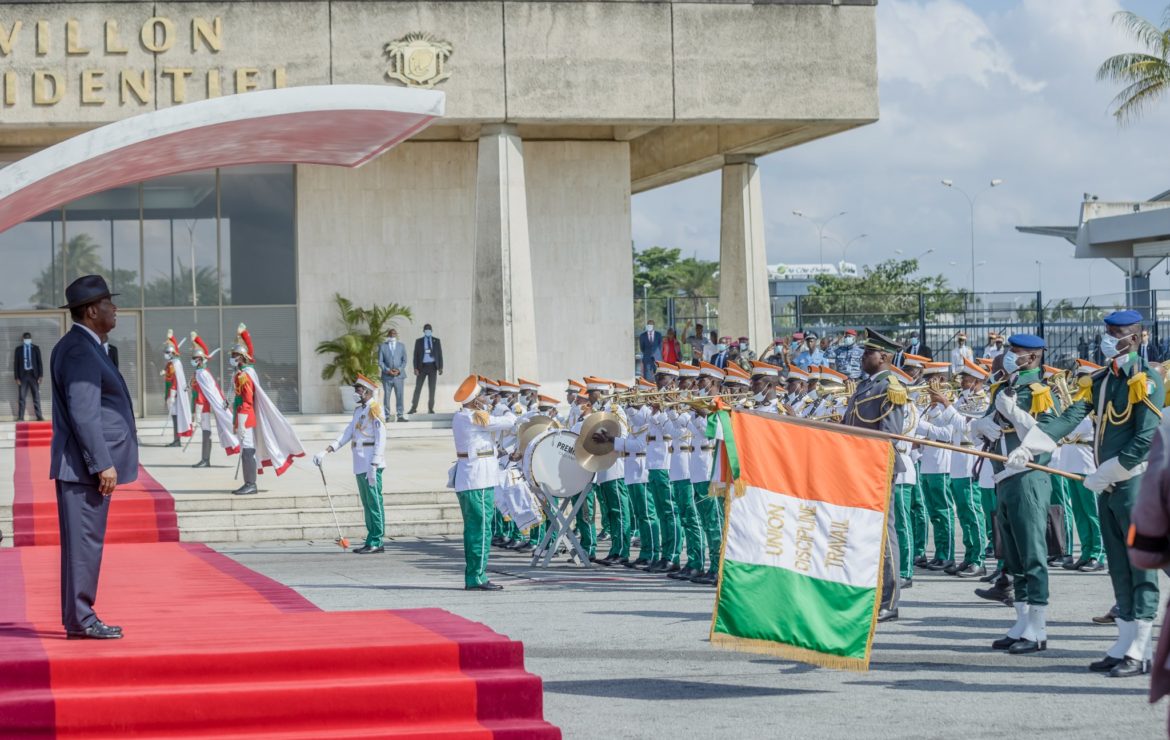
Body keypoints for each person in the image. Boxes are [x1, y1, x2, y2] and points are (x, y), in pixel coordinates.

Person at [1021, 311, 1164, 676]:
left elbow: (1147, 437)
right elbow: (1070, 416)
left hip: (1134, 485)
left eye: (1116, 333)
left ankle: (1141, 647)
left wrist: (1112, 470)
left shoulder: (1144, 380)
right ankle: (1124, 638)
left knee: (1140, 568)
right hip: (1109, 485)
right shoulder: (1101, 380)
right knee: (1117, 564)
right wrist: (1031, 444)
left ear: (1135, 339)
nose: (1107, 338)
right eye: (1107, 331)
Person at [50, 275, 136, 640]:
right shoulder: (79, 350)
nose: (115, 309)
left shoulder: (86, 346)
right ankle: (82, 620)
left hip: (80, 466)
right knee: (85, 546)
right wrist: (102, 462)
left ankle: (78, 617)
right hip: (84, 467)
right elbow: (84, 412)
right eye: (108, 303)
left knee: (82, 547)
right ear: (90, 311)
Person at [969, 333, 1059, 656]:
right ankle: (1022, 621)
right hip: (1003, 477)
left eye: (1016, 352)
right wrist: (979, 427)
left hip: (1028, 478)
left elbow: (1048, 436)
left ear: (1032, 358)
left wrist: (1015, 414)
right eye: (1009, 350)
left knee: (1033, 553)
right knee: (1013, 555)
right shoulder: (1003, 387)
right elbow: (989, 425)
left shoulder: (1039, 391)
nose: (1009, 356)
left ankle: (1038, 626)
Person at [841, 328, 908, 623]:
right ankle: (869, 595)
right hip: (857, 468)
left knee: (883, 534)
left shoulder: (890, 386)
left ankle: (889, 600)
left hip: (876, 468)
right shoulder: (864, 386)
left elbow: (890, 435)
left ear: (883, 357)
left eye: (868, 352)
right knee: (863, 535)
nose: (863, 356)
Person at [451, 374, 516, 590]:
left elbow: (485, 445)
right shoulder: (472, 417)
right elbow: (510, 422)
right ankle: (477, 576)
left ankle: (475, 575)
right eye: (481, 396)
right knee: (481, 529)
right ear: (474, 400)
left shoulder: (468, 417)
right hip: (477, 480)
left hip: (477, 477)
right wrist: (505, 406)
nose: (485, 399)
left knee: (476, 529)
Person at [315, 374, 387, 554]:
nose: (356, 392)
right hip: (360, 461)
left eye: (359, 389)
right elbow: (348, 433)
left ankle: (377, 540)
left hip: (371, 461)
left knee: (374, 502)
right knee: (366, 502)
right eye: (356, 389)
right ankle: (371, 538)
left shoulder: (375, 409)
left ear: (368, 392)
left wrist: (375, 462)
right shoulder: (358, 411)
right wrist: (327, 450)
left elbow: (381, 438)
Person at [229, 324, 304, 494]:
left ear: (241, 357)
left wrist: (240, 421)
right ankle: (248, 482)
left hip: (245, 416)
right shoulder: (241, 373)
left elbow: (247, 400)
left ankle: (251, 484)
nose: (232, 358)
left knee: (248, 449)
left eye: (235, 355)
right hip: (243, 415)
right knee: (246, 448)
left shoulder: (244, 375)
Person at [188, 332, 239, 468]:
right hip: (202, 405)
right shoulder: (199, 373)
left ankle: (205, 459)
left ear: (200, 360)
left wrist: (198, 410)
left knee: (206, 430)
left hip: (204, 406)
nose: (192, 360)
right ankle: (205, 459)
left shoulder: (202, 374)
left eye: (195, 358)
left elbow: (204, 393)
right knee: (206, 431)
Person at [161, 330, 193, 448]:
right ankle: (176, 439)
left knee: (175, 416)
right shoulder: (171, 363)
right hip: (169, 391)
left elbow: (175, 380)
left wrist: (173, 395)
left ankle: (177, 439)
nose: (165, 354)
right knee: (174, 416)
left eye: (167, 352)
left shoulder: (176, 363)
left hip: (174, 393)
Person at [409, 323, 443, 415]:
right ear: (424, 331)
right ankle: (413, 407)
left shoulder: (436, 341)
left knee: (432, 389)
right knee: (418, 388)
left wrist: (440, 367)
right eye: (426, 329)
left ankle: (431, 408)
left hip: (433, 367)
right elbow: (415, 355)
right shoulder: (419, 341)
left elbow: (440, 354)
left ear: (431, 331)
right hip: (422, 367)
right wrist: (415, 368)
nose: (428, 330)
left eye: (429, 329)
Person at [378, 328, 408, 422]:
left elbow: (404, 360)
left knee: (399, 395)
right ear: (388, 335)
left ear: (396, 335)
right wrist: (387, 370)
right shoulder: (383, 346)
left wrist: (399, 370)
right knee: (387, 396)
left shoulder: (401, 346)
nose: (392, 335)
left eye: (394, 333)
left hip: (399, 376)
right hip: (387, 376)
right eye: (391, 333)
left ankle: (400, 415)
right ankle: (387, 416)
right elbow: (380, 361)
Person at [13, 331, 44, 421]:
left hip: (34, 376)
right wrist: (16, 377)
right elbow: (16, 364)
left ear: (31, 338)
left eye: (28, 338)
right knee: (22, 397)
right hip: (23, 376)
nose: (27, 339)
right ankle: (21, 417)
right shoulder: (18, 349)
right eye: (26, 338)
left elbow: (39, 363)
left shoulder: (36, 348)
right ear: (23, 339)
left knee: (36, 397)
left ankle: (39, 416)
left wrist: (41, 376)